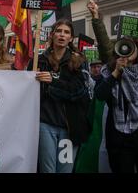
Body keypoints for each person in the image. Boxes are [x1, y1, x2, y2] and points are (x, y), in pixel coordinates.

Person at [28, 19, 91, 173]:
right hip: (45, 125)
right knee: (47, 170)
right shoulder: (39, 61)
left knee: (65, 170)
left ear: (71, 38)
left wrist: (53, 81)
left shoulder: (78, 61)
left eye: (67, 32)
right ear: (52, 35)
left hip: (69, 129)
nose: (62, 35)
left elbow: (78, 91)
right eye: (59, 31)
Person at [95, 38, 138, 173]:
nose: (128, 50)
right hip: (119, 138)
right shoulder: (109, 71)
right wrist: (116, 72)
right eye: (125, 46)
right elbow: (100, 95)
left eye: (132, 46)